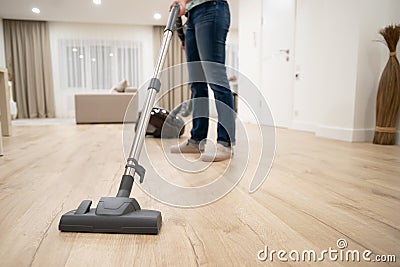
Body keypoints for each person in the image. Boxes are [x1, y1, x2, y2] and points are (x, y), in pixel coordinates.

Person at [170, 0, 236, 162]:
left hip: (210, 8)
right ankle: (196, 140)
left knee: (217, 80)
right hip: (191, 17)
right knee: (196, 84)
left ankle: (225, 141)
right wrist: (184, 35)